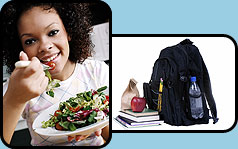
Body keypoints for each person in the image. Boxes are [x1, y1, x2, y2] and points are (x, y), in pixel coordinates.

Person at [1, 1, 109, 146]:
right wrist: (14, 100)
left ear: (69, 31)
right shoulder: (19, 86)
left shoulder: (97, 71)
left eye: (53, 32)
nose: (45, 46)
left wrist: (94, 124)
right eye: (30, 41)